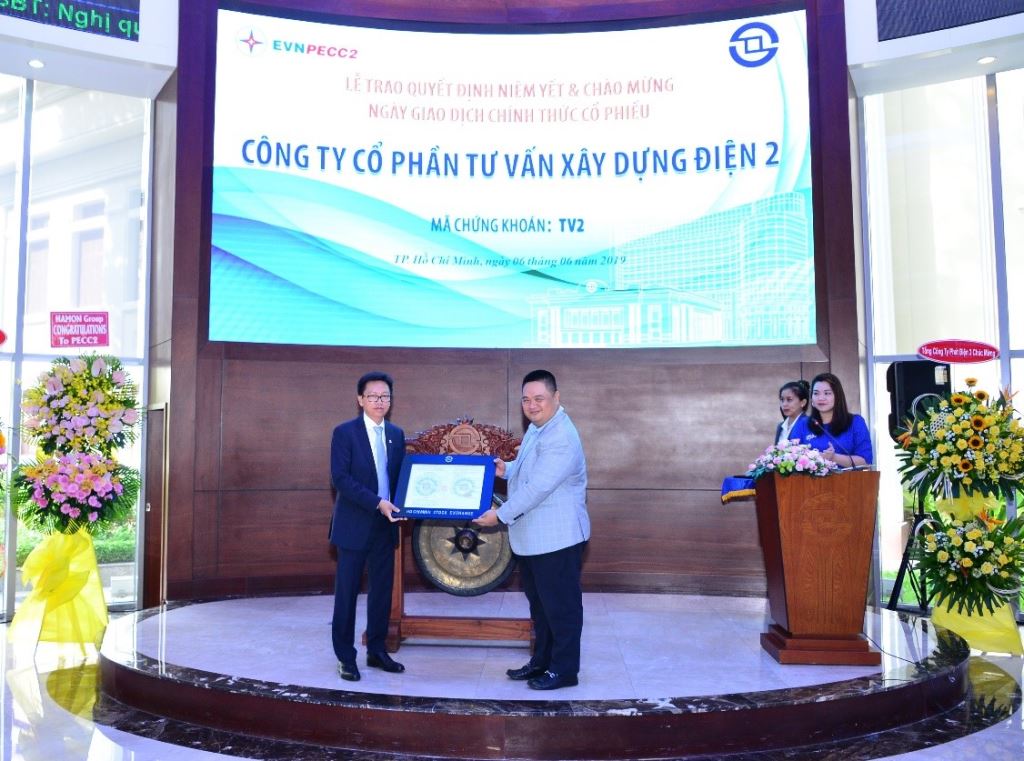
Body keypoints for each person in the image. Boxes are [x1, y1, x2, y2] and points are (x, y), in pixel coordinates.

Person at [473, 369, 589, 691]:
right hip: (535, 537)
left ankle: (564, 671)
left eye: (539, 398)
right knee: (541, 607)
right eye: (526, 399)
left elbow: (538, 487)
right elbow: (531, 470)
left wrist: (500, 515)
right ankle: (542, 662)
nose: (532, 405)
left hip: (557, 538)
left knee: (561, 608)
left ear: (556, 397)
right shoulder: (540, 428)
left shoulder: (560, 436)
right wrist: (506, 469)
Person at [329, 371, 406, 682]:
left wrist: (407, 503)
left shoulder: (396, 434)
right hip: (354, 525)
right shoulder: (344, 433)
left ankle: (376, 650)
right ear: (360, 399)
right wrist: (377, 502)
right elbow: (340, 479)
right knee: (347, 594)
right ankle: (345, 657)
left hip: (385, 526)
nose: (379, 401)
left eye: (385, 396)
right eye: (373, 396)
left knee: (382, 593)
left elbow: (400, 478)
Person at [790, 372, 873, 466]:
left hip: (847, 476)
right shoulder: (802, 424)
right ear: (811, 399)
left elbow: (866, 461)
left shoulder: (855, 422)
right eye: (816, 393)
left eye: (827, 393)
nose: (821, 398)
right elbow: (792, 457)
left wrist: (834, 458)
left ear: (837, 397)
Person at [775, 380, 809, 445]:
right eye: (782, 400)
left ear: (803, 402)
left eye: (789, 400)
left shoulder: (808, 425)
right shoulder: (781, 426)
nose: (784, 404)